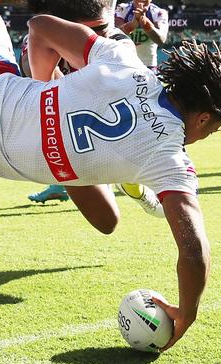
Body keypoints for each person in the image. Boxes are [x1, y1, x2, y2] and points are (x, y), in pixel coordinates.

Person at [0, 0, 221, 351]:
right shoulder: (170, 159)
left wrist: (41, 90)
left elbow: (39, 25)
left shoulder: (122, 57)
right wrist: (187, 311)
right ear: (203, 117)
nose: (203, 138)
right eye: (211, 130)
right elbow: (192, 249)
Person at [23, 0, 163, 218]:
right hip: (76, 104)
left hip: (124, 81)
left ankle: (133, 185)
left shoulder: (118, 45)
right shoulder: (45, 37)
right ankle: (80, 182)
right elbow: (47, 90)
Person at [114, 0, 169, 70]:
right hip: (124, 66)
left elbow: (161, 39)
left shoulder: (159, 12)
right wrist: (132, 25)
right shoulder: (122, 8)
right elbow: (115, 34)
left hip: (149, 67)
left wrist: (145, 23)